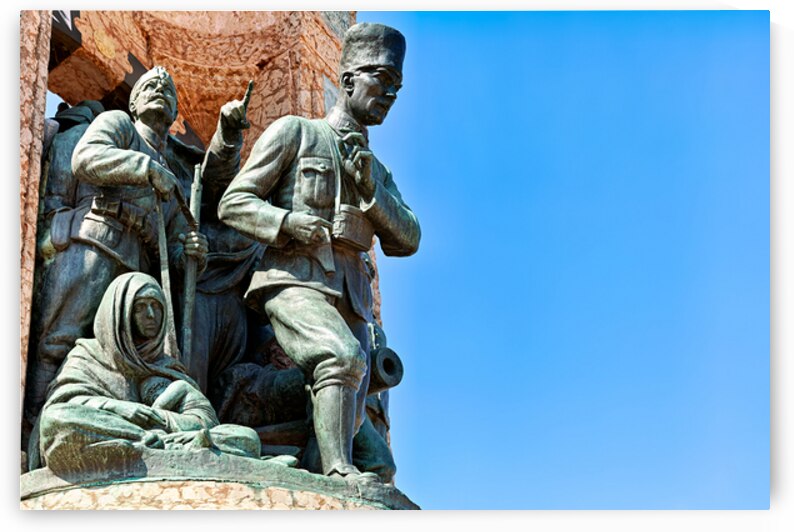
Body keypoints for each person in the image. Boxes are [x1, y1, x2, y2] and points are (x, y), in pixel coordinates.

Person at [218, 23, 420, 483]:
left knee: (380, 463)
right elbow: (234, 201)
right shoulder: (296, 132)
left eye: (396, 87)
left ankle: (318, 471)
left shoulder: (378, 171)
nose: (389, 94)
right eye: (381, 79)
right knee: (342, 358)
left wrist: (372, 194)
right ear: (349, 80)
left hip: (350, 298)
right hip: (292, 282)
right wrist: (287, 223)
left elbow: (408, 238)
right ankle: (335, 470)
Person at [24, 66, 246, 432]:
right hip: (95, 242)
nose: (161, 90)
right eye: (150, 87)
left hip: (137, 268)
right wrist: (141, 166)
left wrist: (190, 252)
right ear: (134, 102)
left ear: (175, 114)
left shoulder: (173, 169)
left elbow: (173, 244)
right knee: (59, 342)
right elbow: (86, 158)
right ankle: (33, 434)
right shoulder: (120, 126)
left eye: (169, 92)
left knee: (127, 355)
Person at [30, 273, 261, 475]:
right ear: (119, 312)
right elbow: (65, 404)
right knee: (56, 419)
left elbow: (204, 423)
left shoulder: (169, 368)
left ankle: (156, 446)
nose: (150, 314)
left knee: (247, 438)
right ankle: (153, 445)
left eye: (156, 306)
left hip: (164, 436)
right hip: (108, 431)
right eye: (140, 306)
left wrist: (161, 419)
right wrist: (121, 409)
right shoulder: (87, 356)